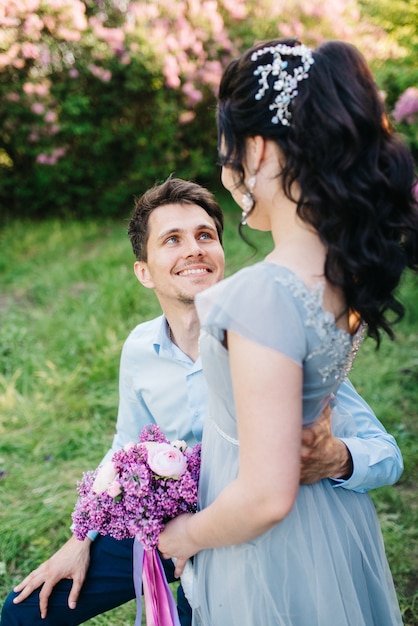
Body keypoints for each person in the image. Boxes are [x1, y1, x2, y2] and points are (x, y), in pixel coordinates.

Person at [0, 176, 405, 626]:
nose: (193, 249)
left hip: (235, 525)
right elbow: (125, 444)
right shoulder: (139, 348)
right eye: (172, 240)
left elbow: (386, 454)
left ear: (221, 255)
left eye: (205, 236)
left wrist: (336, 458)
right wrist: (80, 537)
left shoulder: (265, 338)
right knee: (23, 613)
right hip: (161, 516)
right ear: (144, 271)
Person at [157, 41, 418, 626]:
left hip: (267, 547)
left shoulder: (260, 295)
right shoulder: (345, 270)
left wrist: (188, 536)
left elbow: (266, 496)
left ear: (255, 148)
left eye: (229, 154)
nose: (228, 174)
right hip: (329, 523)